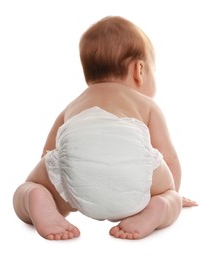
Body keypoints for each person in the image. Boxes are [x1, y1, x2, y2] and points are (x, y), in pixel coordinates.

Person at [13, 16, 197, 240]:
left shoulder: (74, 105)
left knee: (30, 187)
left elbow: (48, 154)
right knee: (169, 198)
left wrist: (45, 185)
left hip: (77, 182)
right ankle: (158, 208)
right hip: (134, 180)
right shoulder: (147, 106)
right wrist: (169, 194)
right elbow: (169, 159)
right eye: (153, 70)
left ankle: (36, 198)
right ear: (139, 70)